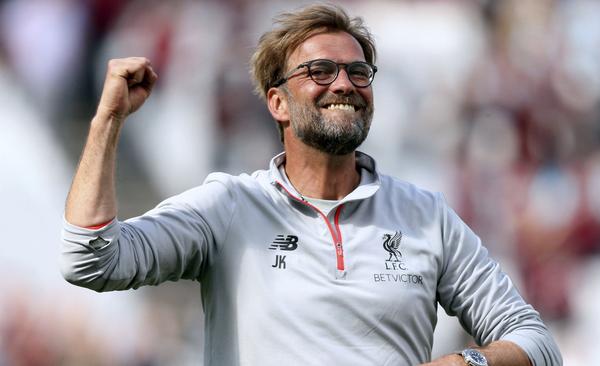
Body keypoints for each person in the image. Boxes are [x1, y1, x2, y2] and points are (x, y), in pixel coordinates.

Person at [60, 4, 562, 366]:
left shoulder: (426, 215)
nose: (343, 83)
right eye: (320, 70)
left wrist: (465, 364)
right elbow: (90, 258)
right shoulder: (230, 205)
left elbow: (537, 342)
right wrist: (107, 120)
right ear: (277, 102)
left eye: (358, 71)